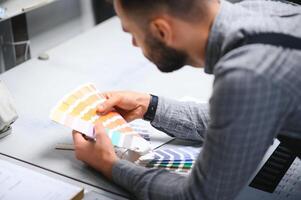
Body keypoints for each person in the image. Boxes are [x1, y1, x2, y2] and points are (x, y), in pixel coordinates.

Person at [72, 0, 301, 199]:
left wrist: (109, 164)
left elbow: (198, 196)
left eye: (131, 32)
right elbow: (238, 118)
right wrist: (149, 105)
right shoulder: (265, 10)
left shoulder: (246, 74)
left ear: (162, 31)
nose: (134, 43)